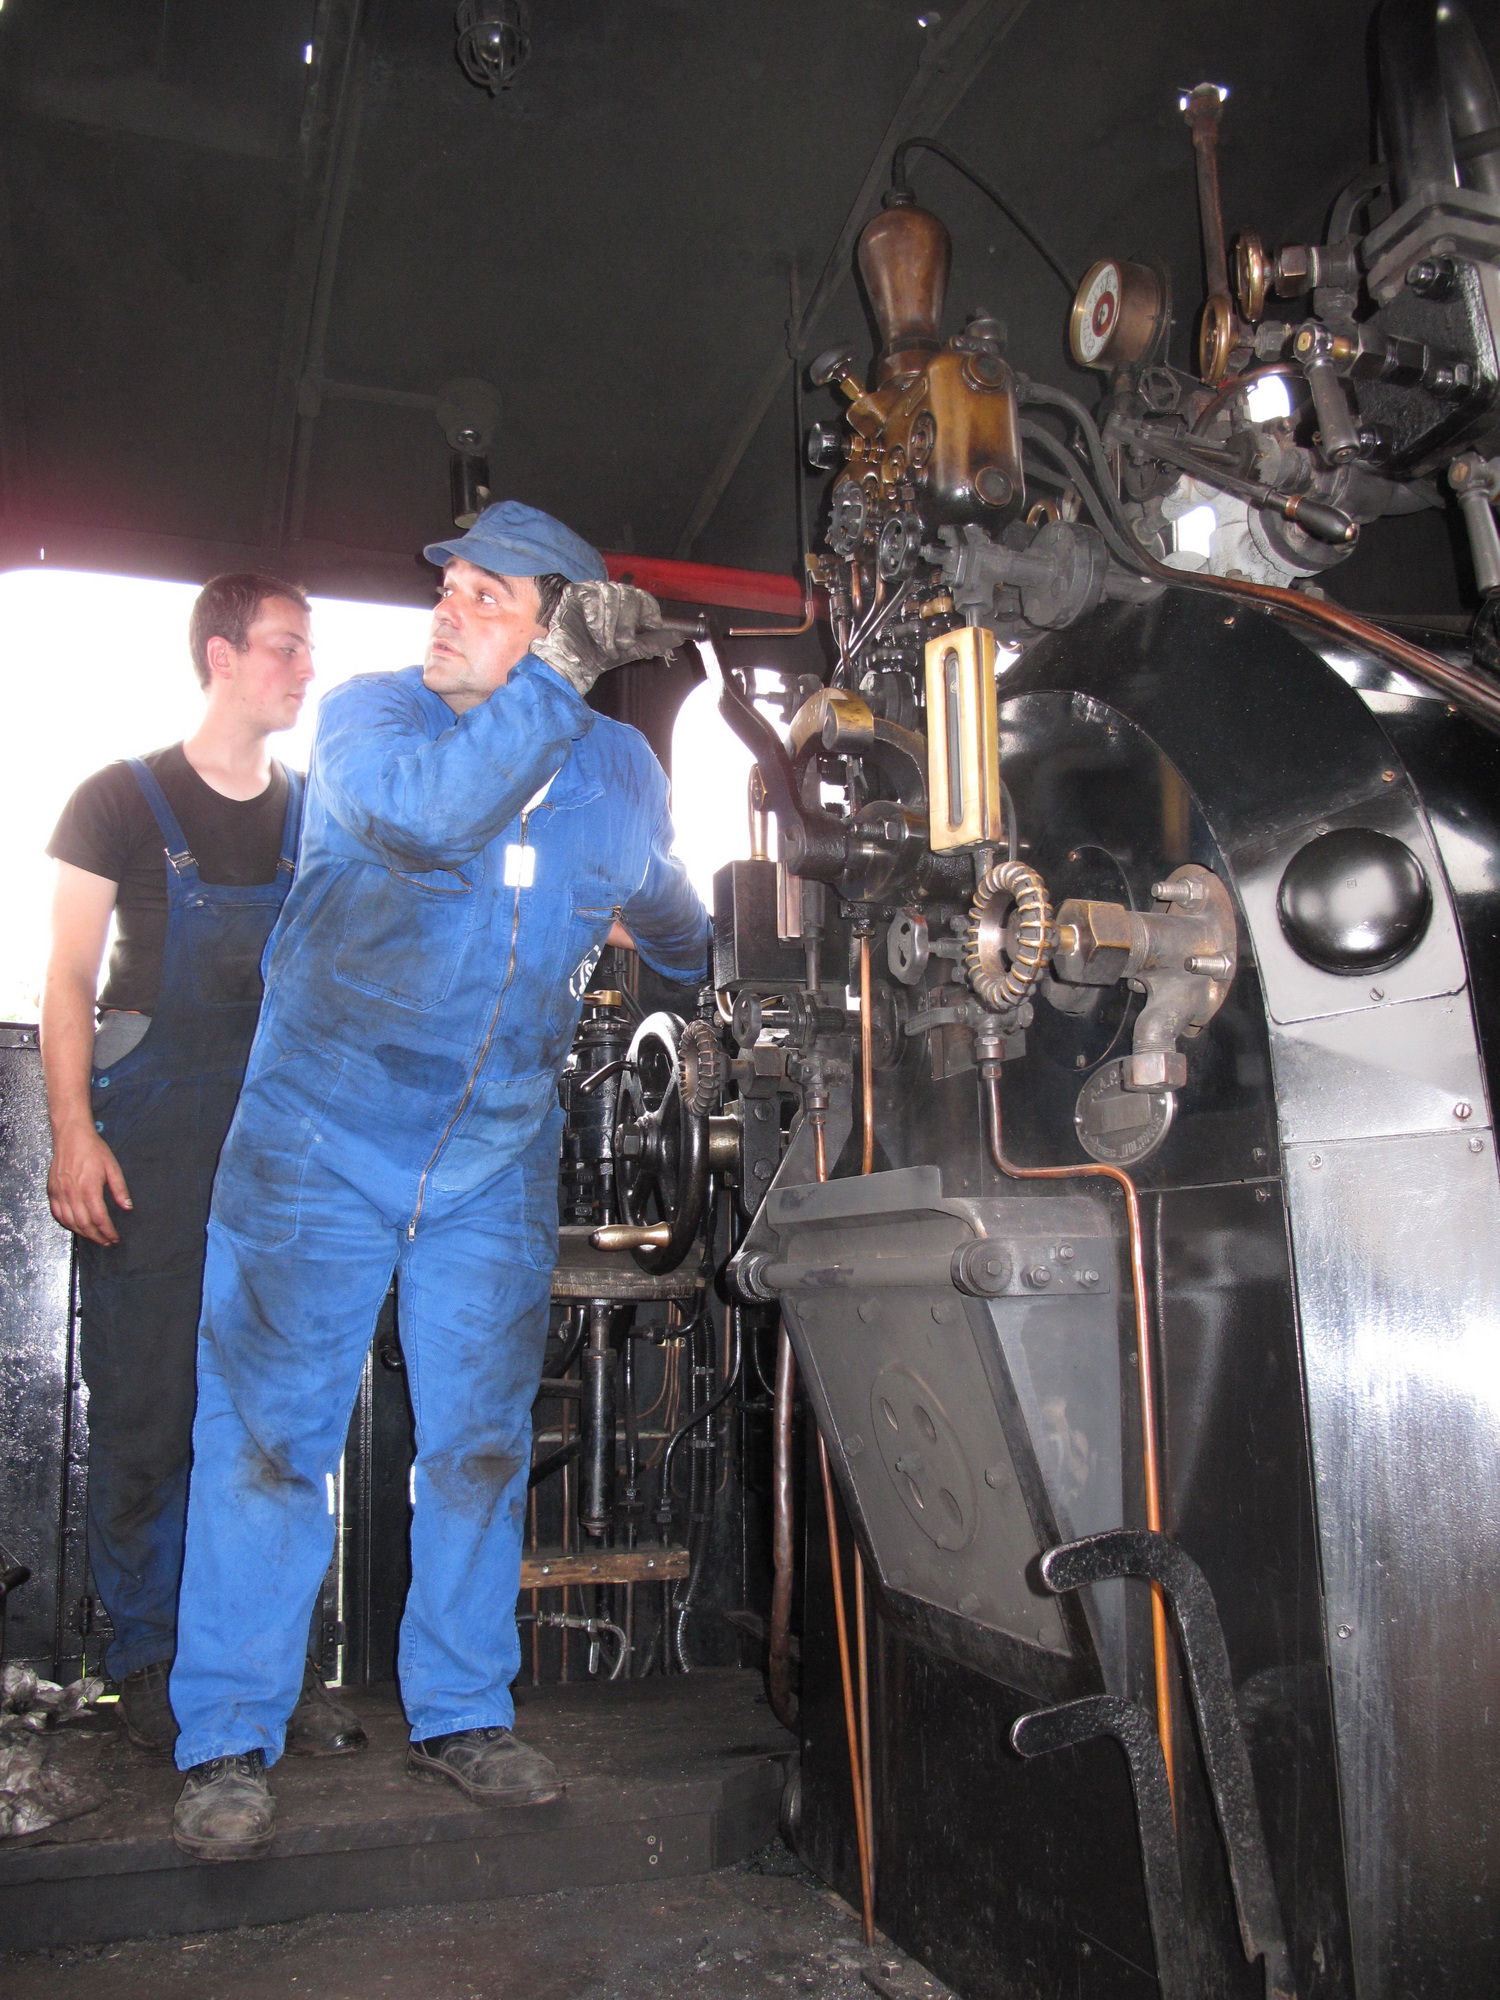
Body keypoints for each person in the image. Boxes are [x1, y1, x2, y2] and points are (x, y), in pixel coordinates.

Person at [167, 501, 710, 1861]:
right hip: (318, 1139)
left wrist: (702, 954)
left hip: (492, 1156)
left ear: (553, 621)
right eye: (450, 589)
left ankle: (463, 1710)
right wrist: (558, 676)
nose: (447, 613)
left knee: (478, 1441)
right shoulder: (373, 723)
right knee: (269, 1439)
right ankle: (227, 1732)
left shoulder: (619, 769)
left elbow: (666, 906)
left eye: (486, 597)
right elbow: (429, 823)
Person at [41, 573, 365, 1761]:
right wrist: (73, 1131)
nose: (306, 669)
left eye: (310, 649)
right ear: (221, 656)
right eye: (286, 646)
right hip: (155, 1144)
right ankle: (144, 1659)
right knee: (146, 1409)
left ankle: (266, 1666)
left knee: (279, 1414)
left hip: (282, 1150)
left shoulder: (318, 816)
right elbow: (68, 976)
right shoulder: (116, 801)